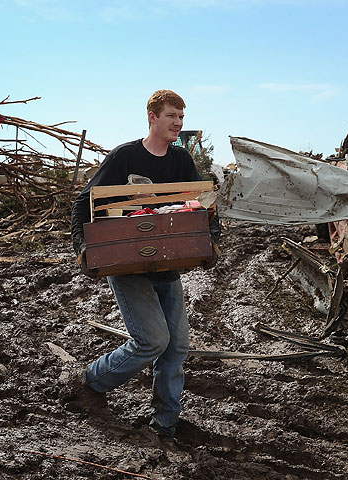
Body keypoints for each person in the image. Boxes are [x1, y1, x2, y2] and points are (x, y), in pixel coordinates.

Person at [70, 89, 220, 439]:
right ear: (152, 117)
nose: (178, 123)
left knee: (177, 345)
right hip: (127, 265)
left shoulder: (181, 160)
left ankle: (165, 422)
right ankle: (92, 380)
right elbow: (83, 203)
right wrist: (83, 248)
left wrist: (212, 238)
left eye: (181, 118)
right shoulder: (125, 157)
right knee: (152, 340)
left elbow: (202, 205)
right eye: (171, 116)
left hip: (167, 264)